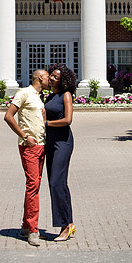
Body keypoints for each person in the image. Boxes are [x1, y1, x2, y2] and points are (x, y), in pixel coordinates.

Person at [4, 68, 49, 246]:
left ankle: (25, 225)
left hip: (41, 146)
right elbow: (8, 116)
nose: (49, 80)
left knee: (34, 186)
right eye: (47, 77)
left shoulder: (40, 96)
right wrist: (24, 136)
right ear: (39, 78)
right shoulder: (24, 93)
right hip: (29, 147)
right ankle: (33, 230)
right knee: (33, 187)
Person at [45, 63, 76, 241]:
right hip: (50, 142)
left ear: (63, 80)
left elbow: (68, 119)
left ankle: (65, 226)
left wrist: (47, 124)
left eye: (56, 77)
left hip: (63, 143)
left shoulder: (66, 95)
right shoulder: (49, 96)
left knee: (57, 182)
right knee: (56, 183)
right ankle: (69, 224)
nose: (52, 78)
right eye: (51, 75)